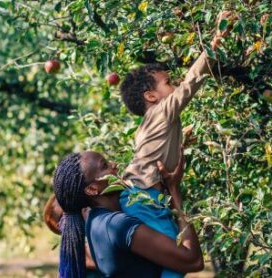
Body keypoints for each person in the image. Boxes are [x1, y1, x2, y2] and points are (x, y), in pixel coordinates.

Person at [118, 11, 234, 278]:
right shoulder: (162, 111)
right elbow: (190, 85)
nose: (174, 86)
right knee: (178, 258)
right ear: (151, 96)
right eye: (168, 83)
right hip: (146, 196)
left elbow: (160, 148)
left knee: (167, 259)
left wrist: (184, 139)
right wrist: (215, 42)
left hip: (140, 194)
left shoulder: (148, 123)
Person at [52, 150, 203, 278]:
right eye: (105, 166)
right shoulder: (117, 226)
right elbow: (193, 261)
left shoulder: (94, 223)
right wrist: (174, 190)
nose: (114, 165)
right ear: (92, 189)